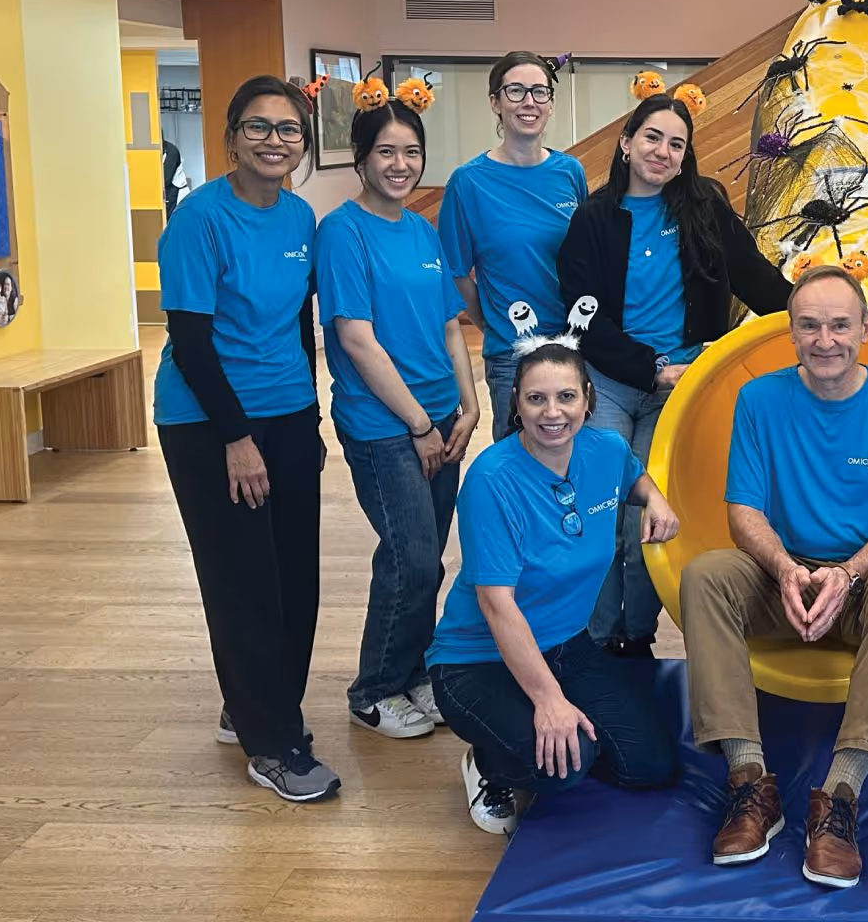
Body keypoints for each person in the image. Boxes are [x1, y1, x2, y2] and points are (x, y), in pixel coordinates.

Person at [681, 266, 868, 890]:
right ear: (790, 333)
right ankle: (750, 784)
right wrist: (786, 570)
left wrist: (848, 575)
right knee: (704, 576)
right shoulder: (760, 398)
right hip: (784, 571)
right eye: (810, 326)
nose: (826, 340)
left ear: (866, 331)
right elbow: (743, 510)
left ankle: (841, 796)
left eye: (839, 325)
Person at [152, 75, 335, 801]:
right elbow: (191, 343)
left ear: (303, 144)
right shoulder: (199, 221)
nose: (273, 141)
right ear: (230, 137)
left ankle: (257, 704)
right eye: (257, 127)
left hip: (286, 411)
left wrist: (310, 418)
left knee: (296, 577)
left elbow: (299, 327)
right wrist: (236, 438)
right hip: (207, 422)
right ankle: (273, 743)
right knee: (244, 580)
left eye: (287, 130)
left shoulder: (299, 219)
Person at [559, 94, 791, 657]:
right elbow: (581, 314)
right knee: (602, 510)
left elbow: (757, 280)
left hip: (683, 386)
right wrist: (650, 369)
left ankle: (635, 637)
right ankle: (595, 638)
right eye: (652, 138)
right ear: (626, 143)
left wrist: (814, 318)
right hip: (610, 381)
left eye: (676, 144)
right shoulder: (594, 217)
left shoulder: (705, 207)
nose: (663, 152)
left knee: (649, 519)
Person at [425, 341, 681, 837]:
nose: (552, 413)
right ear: (515, 404)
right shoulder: (492, 480)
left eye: (566, 397)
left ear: (588, 398)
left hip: (565, 643)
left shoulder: (604, 449)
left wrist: (656, 501)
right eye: (535, 399)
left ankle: (545, 730)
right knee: (562, 766)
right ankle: (488, 764)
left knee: (649, 765)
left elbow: (631, 477)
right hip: (477, 660)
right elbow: (497, 606)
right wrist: (548, 701)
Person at [318, 90, 480, 740]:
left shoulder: (421, 229)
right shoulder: (342, 232)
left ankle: (413, 673)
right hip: (387, 427)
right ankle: (374, 689)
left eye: (411, 151)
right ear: (360, 159)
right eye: (386, 151)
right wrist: (419, 425)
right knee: (410, 558)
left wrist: (469, 405)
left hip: (440, 415)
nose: (400, 163)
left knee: (431, 558)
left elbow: (448, 326)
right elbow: (357, 338)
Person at [438, 52, 588, 441]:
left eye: (540, 92)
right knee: (518, 466)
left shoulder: (570, 173)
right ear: (495, 102)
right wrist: (490, 322)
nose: (529, 102)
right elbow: (456, 272)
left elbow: (588, 258)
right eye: (516, 91)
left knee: (574, 461)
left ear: (551, 104)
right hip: (512, 352)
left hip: (573, 344)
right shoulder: (468, 182)